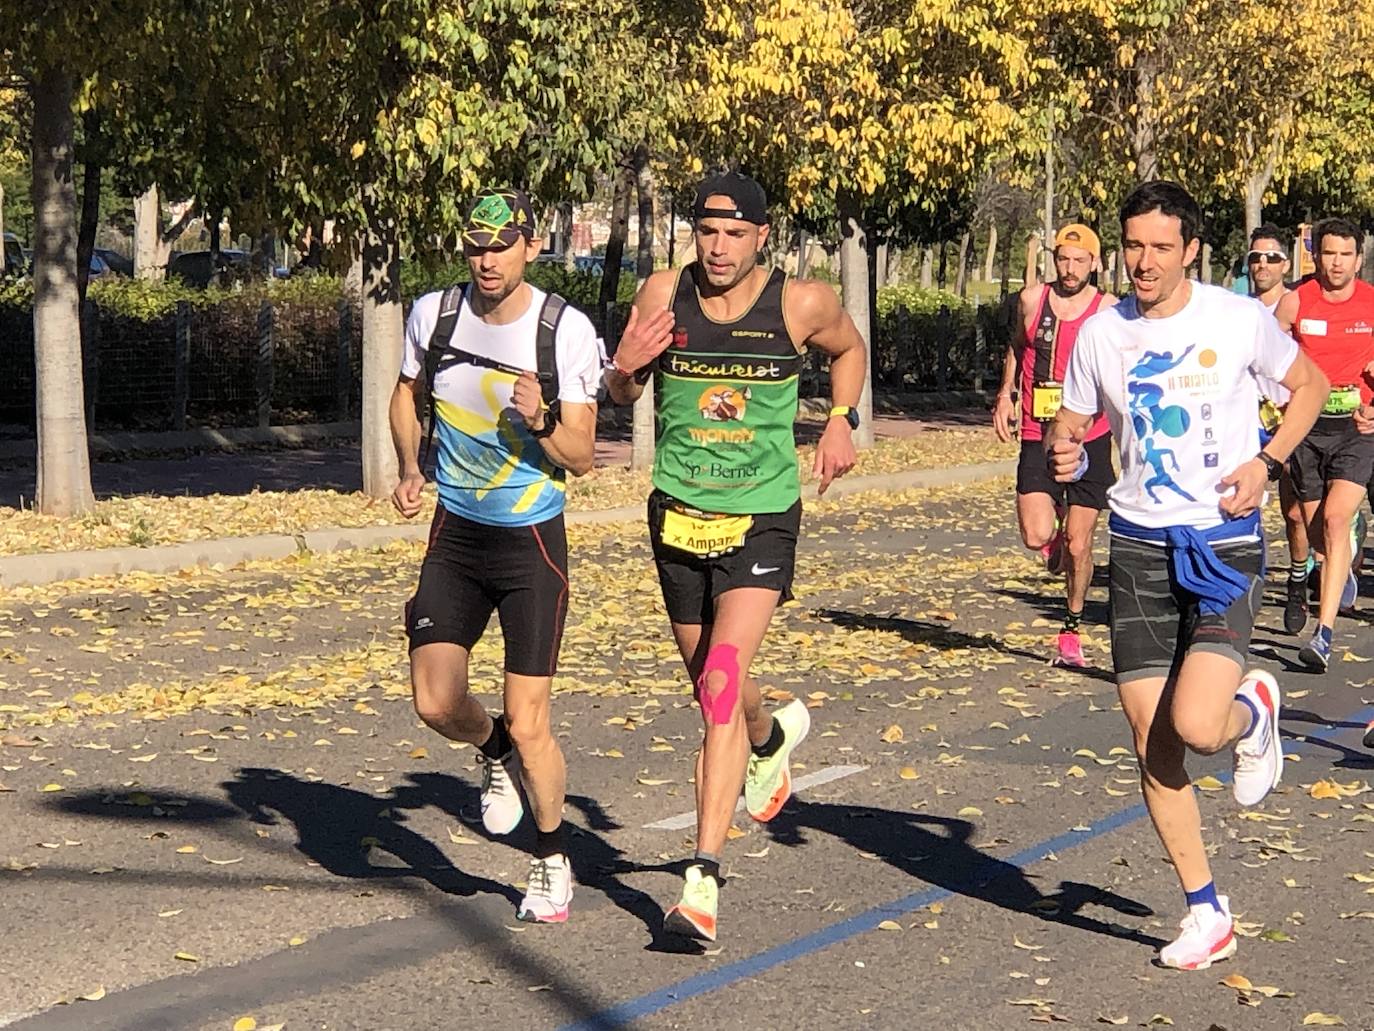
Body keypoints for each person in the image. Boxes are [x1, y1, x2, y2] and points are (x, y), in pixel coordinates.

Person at [1047, 180, 1326, 970]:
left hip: (1222, 542)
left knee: (1200, 727)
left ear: (1191, 251)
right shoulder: (1101, 334)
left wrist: (1268, 461)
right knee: (1151, 742)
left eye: (1160, 247)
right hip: (1136, 547)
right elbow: (1075, 419)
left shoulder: (1238, 321)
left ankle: (1254, 706)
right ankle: (1206, 908)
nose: (1143, 261)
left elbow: (1305, 387)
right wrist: (1067, 448)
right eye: (1132, 244)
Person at [605, 171, 865, 942]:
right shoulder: (661, 293)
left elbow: (848, 351)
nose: (717, 248)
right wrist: (623, 366)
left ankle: (701, 882)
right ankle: (770, 737)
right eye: (706, 232)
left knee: (720, 680)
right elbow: (622, 393)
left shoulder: (800, 303)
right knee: (717, 686)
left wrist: (842, 419)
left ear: (761, 237)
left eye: (733, 234)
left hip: (760, 516)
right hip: (678, 515)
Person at [388, 188, 605, 924]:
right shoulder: (435, 314)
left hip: (530, 543)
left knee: (532, 714)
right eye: (476, 246)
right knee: (434, 700)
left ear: (530, 246)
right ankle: (492, 747)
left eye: (501, 245)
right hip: (456, 531)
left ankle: (550, 859)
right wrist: (410, 464)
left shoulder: (562, 329)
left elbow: (583, 456)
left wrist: (541, 418)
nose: (487, 260)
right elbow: (405, 393)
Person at [992, 224, 1118, 667]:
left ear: (1095, 263)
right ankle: (1055, 537)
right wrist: (1007, 392)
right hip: (1037, 430)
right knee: (1036, 535)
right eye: (1063, 259)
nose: (1069, 269)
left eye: (1079, 261)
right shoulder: (1032, 300)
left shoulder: (1110, 311)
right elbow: (1017, 346)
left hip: (1090, 436)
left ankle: (1071, 628)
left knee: (1081, 545)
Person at [1275, 217, 1374, 669]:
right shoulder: (1296, 301)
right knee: (1318, 536)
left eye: (1345, 255)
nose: (1336, 263)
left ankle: (1324, 634)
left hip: (1356, 430)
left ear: (1359, 258)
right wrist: (1275, 401)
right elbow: (1267, 358)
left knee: (1335, 521)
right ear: (1316, 255)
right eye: (1328, 253)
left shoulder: (1372, 303)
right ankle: (1343, 552)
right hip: (1306, 430)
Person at [1240, 226, 1313, 634]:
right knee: (1244, 503)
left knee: (1295, 515)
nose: (1262, 265)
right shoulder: (1238, 310)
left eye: (1271, 258)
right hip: (1248, 422)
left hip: (1288, 419)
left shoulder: (1296, 305)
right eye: (1255, 257)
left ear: (1286, 264)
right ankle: (1243, 581)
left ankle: (1298, 580)